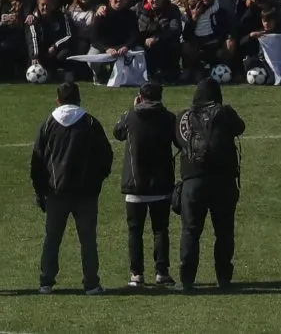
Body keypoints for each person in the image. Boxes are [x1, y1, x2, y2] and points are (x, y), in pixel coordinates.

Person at [29, 80, 113, 295]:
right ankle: (91, 283)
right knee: (88, 240)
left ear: (58, 100)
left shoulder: (49, 123)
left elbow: (37, 160)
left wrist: (40, 190)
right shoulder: (90, 122)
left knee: (52, 238)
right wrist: (96, 183)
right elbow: (106, 156)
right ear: (79, 98)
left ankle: (46, 281)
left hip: (56, 192)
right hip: (86, 194)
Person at [173, 75, 245, 291]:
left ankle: (187, 280)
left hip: (193, 181)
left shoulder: (184, 117)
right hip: (223, 180)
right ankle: (223, 278)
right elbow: (240, 127)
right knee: (224, 232)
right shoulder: (225, 113)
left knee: (190, 231)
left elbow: (178, 140)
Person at [112, 81, 178, 290]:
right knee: (161, 230)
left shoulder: (131, 117)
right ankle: (162, 272)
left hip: (135, 184)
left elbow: (117, 133)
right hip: (161, 184)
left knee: (135, 231)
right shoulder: (168, 118)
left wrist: (132, 108)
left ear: (140, 97)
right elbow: (179, 142)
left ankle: (136, 274)